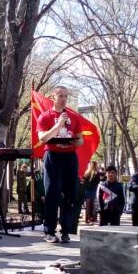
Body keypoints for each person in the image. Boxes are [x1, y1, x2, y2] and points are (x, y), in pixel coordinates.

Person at [36, 85, 84, 243]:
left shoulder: (74, 117)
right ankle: (49, 231)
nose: (64, 99)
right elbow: (43, 139)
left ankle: (65, 230)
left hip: (70, 157)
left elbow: (81, 138)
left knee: (70, 194)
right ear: (53, 97)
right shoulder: (45, 116)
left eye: (65, 96)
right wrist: (58, 125)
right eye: (61, 96)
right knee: (52, 193)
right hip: (52, 157)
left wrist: (76, 141)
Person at [82, 160, 100, 224]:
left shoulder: (87, 172)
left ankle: (87, 219)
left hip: (87, 190)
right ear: (96, 165)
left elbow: (83, 181)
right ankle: (93, 219)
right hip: (94, 190)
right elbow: (98, 182)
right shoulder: (97, 173)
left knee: (87, 205)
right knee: (93, 205)